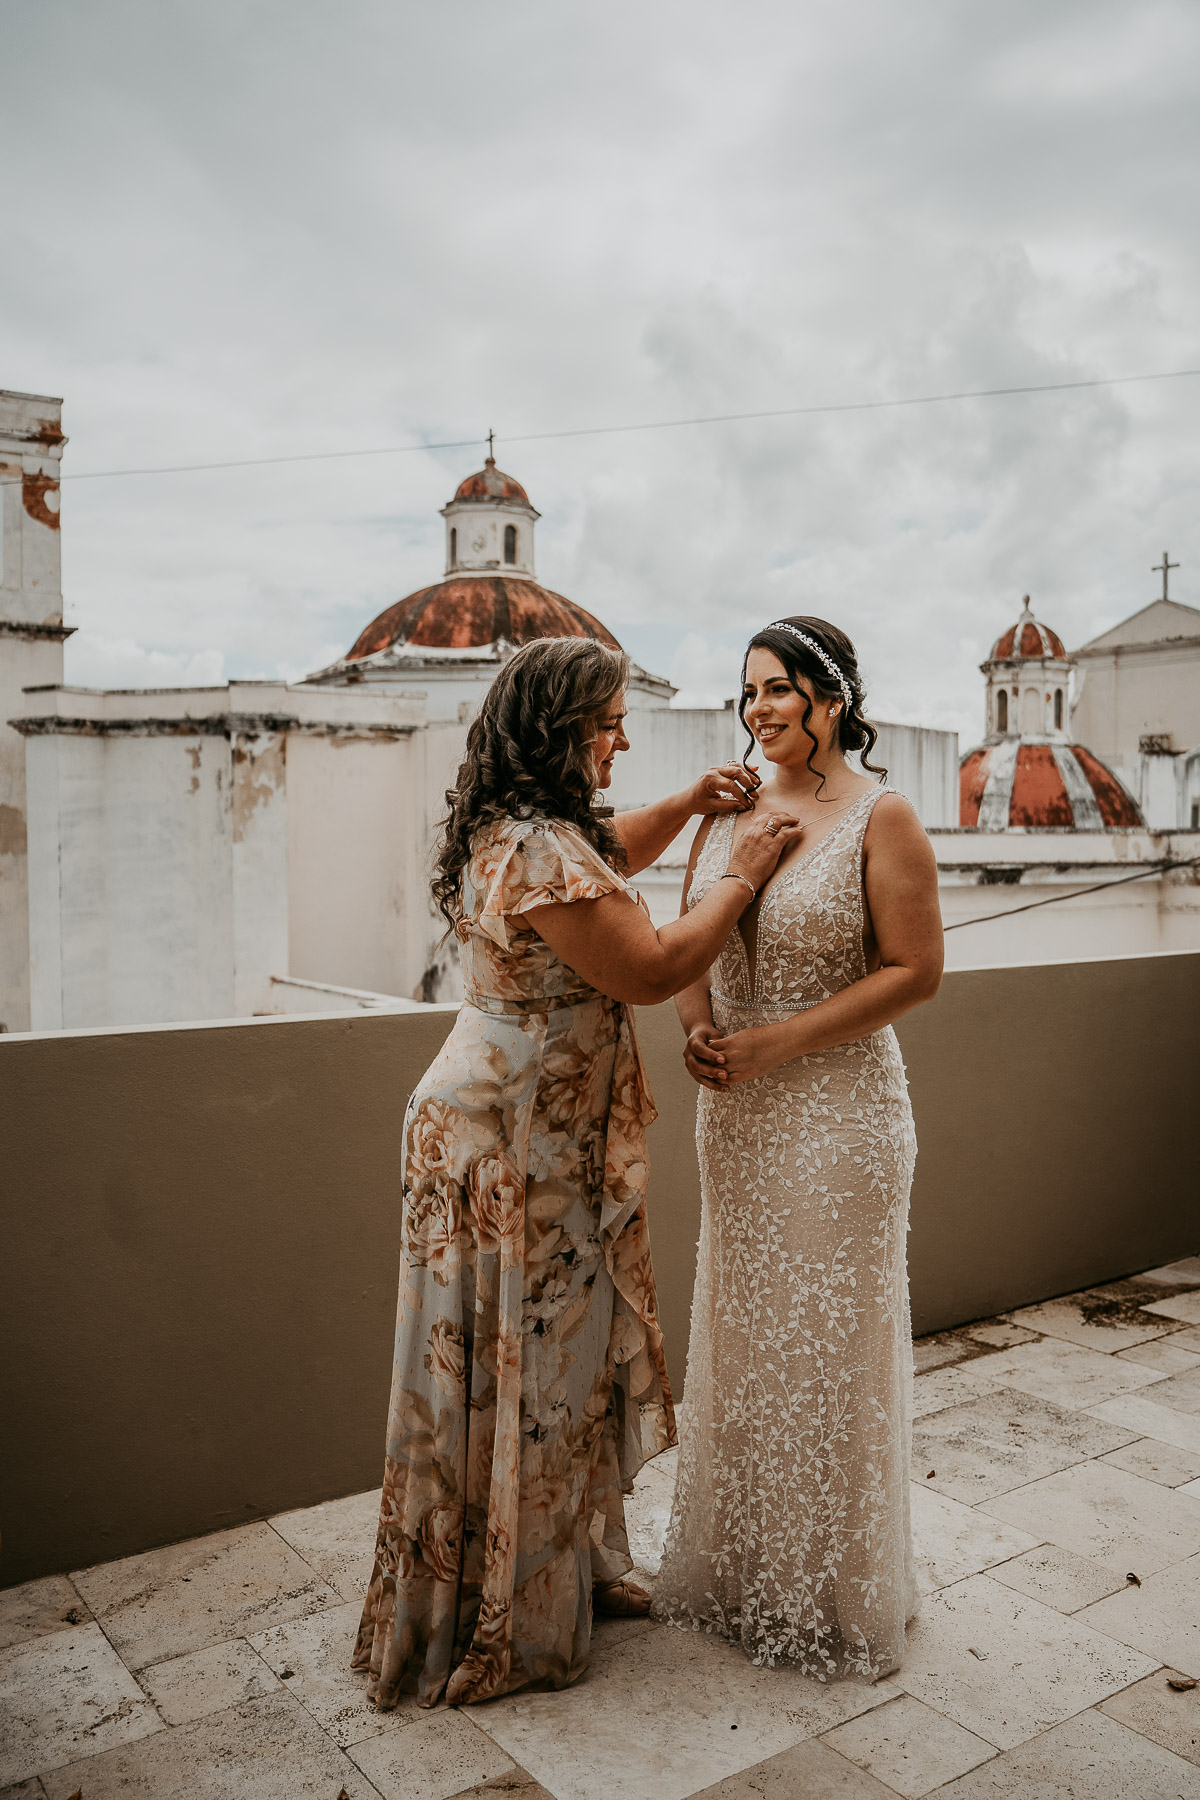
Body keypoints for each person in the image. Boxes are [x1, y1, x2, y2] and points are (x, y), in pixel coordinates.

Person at [353, 634, 802, 1709]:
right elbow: (649, 967)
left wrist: (695, 801)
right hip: (517, 1146)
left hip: (506, 1128)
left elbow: (615, 858)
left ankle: (558, 1568)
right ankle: (522, 1621)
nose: (622, 736)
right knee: (538, 1370)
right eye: (607, 722)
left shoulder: (531, 832)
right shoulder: (541, 849)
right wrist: (741, 871)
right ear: (562, 730)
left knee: (547, 1365)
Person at [652, 616, 943, 1682]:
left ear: (831, 696)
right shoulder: (733, 807)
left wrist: (777, 1041)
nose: (761, 709)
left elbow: (915, 971)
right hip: (736, 1115)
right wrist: (696, 1030)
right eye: (749, 692)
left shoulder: (884, 815)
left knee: (827, 1347)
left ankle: (833, 1590)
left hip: (841, 1116)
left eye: (780, 688)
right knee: (748, 1338)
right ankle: (742, 1571)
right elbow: (685, 932)